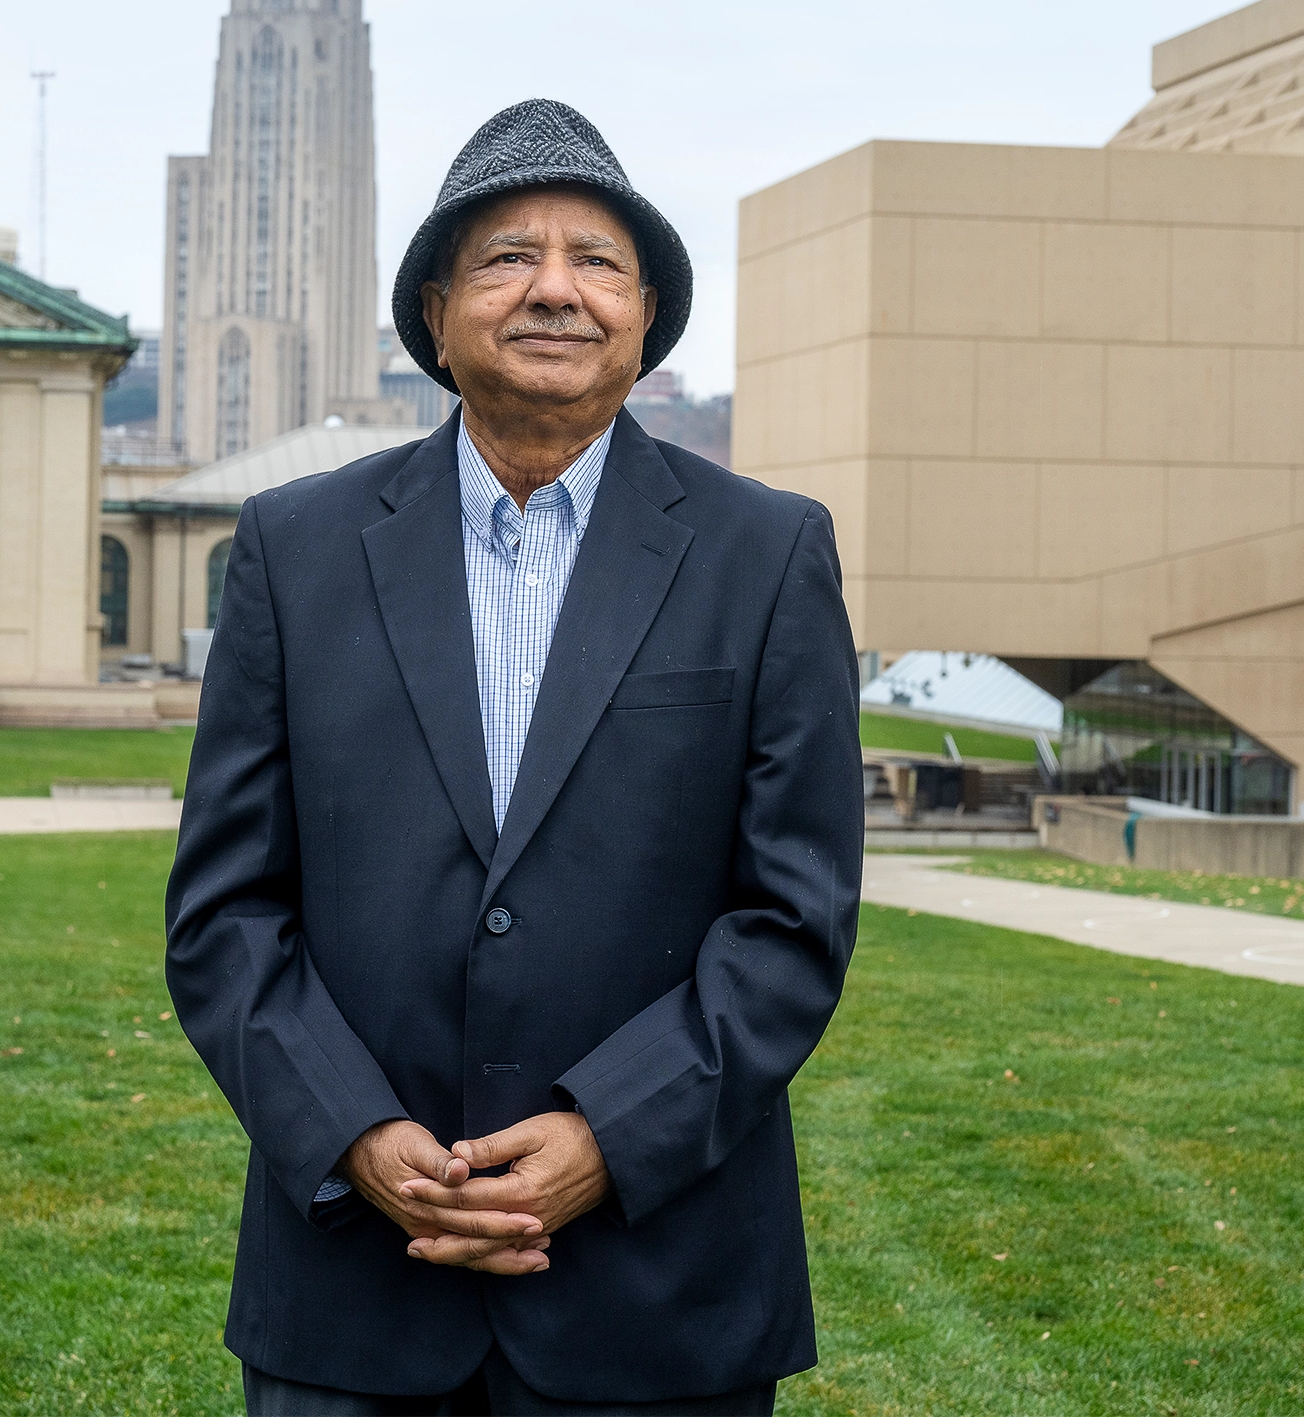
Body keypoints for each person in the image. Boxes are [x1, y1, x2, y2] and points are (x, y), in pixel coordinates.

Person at [166, 99, 863, 1416]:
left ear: (648, 316)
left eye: (597, 261)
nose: (555, 289)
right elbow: (224, 913)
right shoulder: (295, 550)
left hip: (658, 1296)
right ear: (434, 317)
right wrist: (357, 1136)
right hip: (355, 1298)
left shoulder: (765, 557)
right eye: (504, 259)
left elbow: (794, 918)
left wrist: (611, 1136)